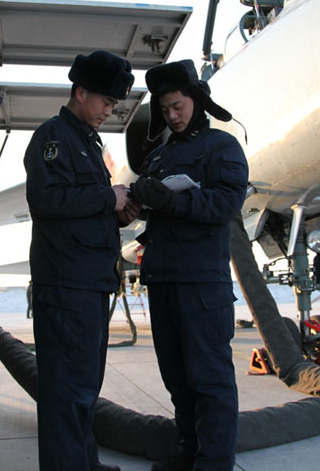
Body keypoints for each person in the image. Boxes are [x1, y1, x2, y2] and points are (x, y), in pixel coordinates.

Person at [128, 60, 248, 471]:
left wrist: (173, 200)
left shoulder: (223, 148)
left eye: (178, 106)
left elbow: (227, 204)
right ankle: (189, 453)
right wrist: (140, 199)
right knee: (178, 379)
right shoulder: (160, 155)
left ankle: (214, 464)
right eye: (164, 110)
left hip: (201, 285)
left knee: (210, 380)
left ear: (196, 101)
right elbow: (155, 210)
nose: (172, 116)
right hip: (162, 279)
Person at [24, 50, 138, 471]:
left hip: (88, 284)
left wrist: (118, 210)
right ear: (81, 91)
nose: (110, 110)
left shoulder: (86, 141)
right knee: (66, 391)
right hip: (66, 285)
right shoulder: (54, 137)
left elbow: (82, 207)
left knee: (85, 386)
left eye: (114, 104)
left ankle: (83, 463)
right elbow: (47, 199)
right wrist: (109, 196)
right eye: (106, 102)